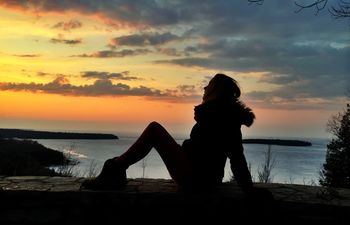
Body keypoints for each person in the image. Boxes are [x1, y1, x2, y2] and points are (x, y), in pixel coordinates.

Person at [81, 73, 255, 192]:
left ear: (215, 91)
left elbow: (237, 157)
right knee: (155, 129)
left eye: (208, 85)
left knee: (154, 130)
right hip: (202, 178)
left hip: (196, 180)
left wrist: (249, 190)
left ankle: (115, 170)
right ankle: (116, 170)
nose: (204, 88)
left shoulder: (224, 119)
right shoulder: (222, 117)